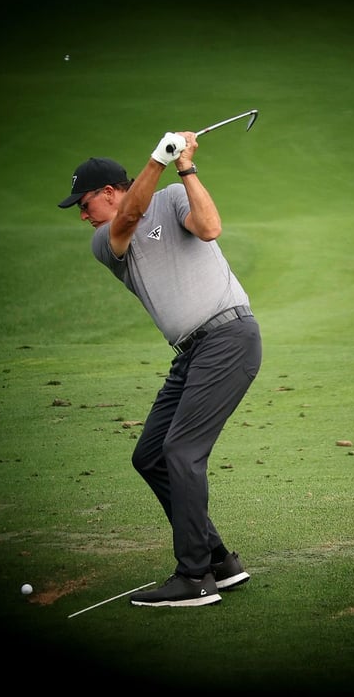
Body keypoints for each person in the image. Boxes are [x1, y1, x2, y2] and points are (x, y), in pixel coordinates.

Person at [56, 131, 262, 607]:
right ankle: (218, 562)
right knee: (150, 454)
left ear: (108, 190)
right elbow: (132, 216)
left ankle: (193, 578)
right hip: (192, 353)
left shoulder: (171, 198)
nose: (83, 216)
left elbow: (209, 228)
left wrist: (184, 166)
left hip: (229, 337)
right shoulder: (105, 240)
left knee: (182, 450)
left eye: (85, 204)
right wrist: (158, 158)